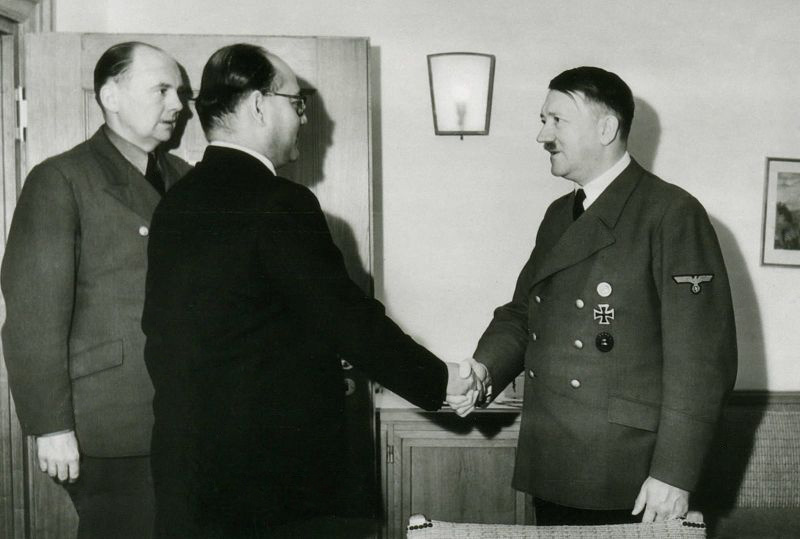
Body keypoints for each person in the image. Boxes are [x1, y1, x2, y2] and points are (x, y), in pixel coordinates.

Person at [141, 43, 476, 538]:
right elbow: (344, 318)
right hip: (268, 485)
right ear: (259, 105)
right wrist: (440, 379)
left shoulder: (175, 203)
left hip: (186, 476)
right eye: (297, 102)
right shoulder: (281, 202)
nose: (304, 118)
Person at [449, 66, 737, 526]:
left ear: (606, 129)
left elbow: (701, 361)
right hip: (553, 456)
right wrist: (484, 369)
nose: (543, 135)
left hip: (628, 471)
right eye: (543, 120)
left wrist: (674, 474)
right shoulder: (559, 215)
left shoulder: (671, 213)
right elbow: (524, 312)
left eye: (557, 121)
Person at [1, 42, 190, 538]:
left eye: (180, 92)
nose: (178, 105)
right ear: (111, 96)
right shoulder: (61, 179)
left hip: (185, 417)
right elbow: (33, 315)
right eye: (162, 90)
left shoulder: (185, 179)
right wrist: (51, 425)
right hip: (109, 425)